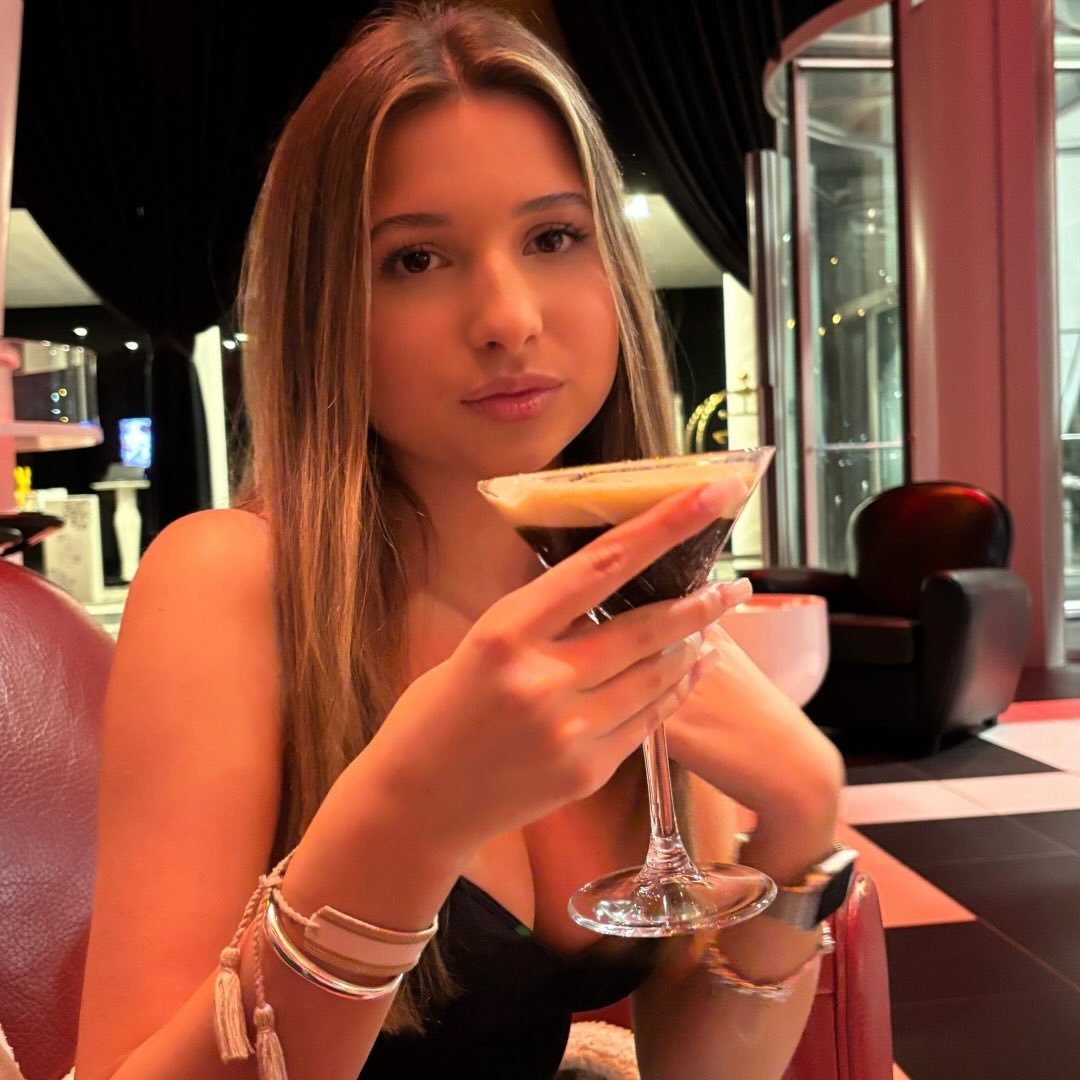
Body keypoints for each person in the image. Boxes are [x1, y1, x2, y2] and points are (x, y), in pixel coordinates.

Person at [73, 4, 845, 1078]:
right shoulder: (232, 581)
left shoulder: (631, 598)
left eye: (553, 237)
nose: (507, 317)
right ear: (326, 306)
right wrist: (409, 819)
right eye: (416, 259)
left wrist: (804, 817)